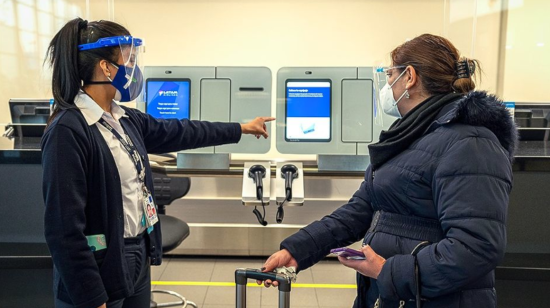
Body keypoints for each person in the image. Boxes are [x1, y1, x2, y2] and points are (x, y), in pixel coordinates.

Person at [260, 34, 518, 308]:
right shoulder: (410, 136)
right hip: (393, 295)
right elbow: (360, 210)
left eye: (389, 74)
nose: (386, 85)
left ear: (409, 77)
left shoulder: (471, 144)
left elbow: (477, 247)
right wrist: (298, 250)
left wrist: (387, 271)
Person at [42, 18, 274, 308]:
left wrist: (240, 128)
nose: (133, 68)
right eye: (129, 58)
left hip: (136, 252)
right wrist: (91, 298)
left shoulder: (124, 119)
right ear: (105, 67)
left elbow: (182, 131)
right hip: (98, 267)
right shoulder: (69, 130)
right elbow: (63, 230)